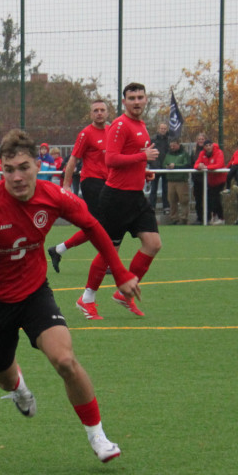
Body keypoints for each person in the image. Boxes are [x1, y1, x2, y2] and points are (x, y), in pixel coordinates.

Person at [0, 128, 140, 464]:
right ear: (0, 170)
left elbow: (93, 226)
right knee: (3, 378)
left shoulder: (54, 196)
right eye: (9, 170)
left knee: (65, 360)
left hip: (34, 294)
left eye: (23, 167)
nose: (17, 177)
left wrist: (120, 274)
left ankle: (99, 437)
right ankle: (19, 387)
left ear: (38, 165)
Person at [71, 83, 161, 320]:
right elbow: (111, 160)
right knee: (109, 251)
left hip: (135, 196)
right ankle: (87, 298)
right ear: (124, 102)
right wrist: (144, 157)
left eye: (141, 97)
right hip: (116, 198)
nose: (137, 101)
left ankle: (124, 293)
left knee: (153, 243)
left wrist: (143, 171)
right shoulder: (120, 125)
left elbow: (129, 160)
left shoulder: (141, 125)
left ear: (146, 99)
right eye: (132, 98)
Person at [49, 100, 111, 269]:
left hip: (109, 182)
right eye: (95, 110)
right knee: (104, 223)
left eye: (102, 110)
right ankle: (107, 262)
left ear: (107, 113)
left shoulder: (112, 131)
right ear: (91, 114)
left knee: (97, 225)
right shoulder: (86, 133)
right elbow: (73, 159)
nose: (99, 113)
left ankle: (58, 249)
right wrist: (67, 185)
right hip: (92, 182)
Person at [194, 139, 227, 224]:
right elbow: (196, 164)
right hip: (210, 181)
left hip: (220, 180)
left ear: (212, 145)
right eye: (206, 146)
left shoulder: (219, 152)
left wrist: (207, 167)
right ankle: (214, 216)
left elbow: (220, 164)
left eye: (209, 145)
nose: (208, 147)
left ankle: (221, 218)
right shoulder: (202, 153)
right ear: (204, 147)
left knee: (216, 198)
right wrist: (199, 166)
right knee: (210, 199)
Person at [161, 139, 191, 224]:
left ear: (178, 144)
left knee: (183, 200)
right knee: (172, 200)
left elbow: (187, 165)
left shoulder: (184, 154)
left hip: (181, 181)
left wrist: (176, 166)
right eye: (171, 145)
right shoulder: (168, 154)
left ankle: (184, 218)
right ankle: (174, 218)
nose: (172, 147)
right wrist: (167, 167)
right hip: (171, 181)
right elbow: (164, 164)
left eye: (174, 145)